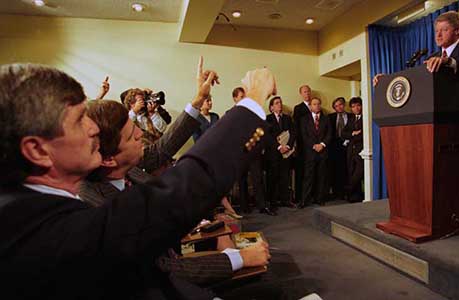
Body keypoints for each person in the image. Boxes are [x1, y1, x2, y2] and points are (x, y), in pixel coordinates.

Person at [0, 60, 275, 299]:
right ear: (37, 150)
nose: (93, 128)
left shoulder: (34, 204)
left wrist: (197, 99)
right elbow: (176, 194)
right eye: (79, 120)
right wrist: (251, 101)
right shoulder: (44, 233)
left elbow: (163, 151)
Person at [81, 99, 268, 287]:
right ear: (109, 160)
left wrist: (197, 101)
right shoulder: (97, 207)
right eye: (131, 136)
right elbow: (161, 269)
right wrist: (238, 259)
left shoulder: (126, 170)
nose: (140, 133)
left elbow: (160, 151)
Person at [373, 11, 459, 227]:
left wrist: (450, 62)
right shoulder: (431, 55)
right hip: (436, 125)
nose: (439, 35)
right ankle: (437, 215)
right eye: (436, 31)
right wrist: (387, 80)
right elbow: (417, 83)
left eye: (444, 30)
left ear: (458, 31)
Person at [229, 87, 267, 215]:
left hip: (254, 151)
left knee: (258, 179)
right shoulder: (230, 113)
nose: (244, 99)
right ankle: (244, 207)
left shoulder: (253, 112)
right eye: (241, 97)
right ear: (235, 98)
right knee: (242, 179)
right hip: (240, 152)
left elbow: (259, 130)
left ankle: (262, 206)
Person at [265, 96, 296, 212]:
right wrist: (279, 147)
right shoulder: (267, 119)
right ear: (271, 107)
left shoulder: (288, 118)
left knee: (285, 177)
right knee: (272, 178)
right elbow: (267, 136)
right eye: (277, 103)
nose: (280, 105)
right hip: (273, 153)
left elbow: (293, 133)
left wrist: (288, 146)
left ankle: (285, 200)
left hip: (287, 153)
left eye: (280, 103)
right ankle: (272, 203)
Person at [299, 97, 331, 207]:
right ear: (310, 106)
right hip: (310, 152)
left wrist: (322, 145)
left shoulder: (326, 119)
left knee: (321, 176)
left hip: (323, 152)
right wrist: (313, 146)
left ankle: (320, 199)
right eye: (314, 104)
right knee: (308, 177)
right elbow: (304, 136)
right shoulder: (304, 119)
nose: (316, 106)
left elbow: (329, 134)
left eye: (318, 104)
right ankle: (305, 200)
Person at [328, 97, 354, 200]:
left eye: (340, 104)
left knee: (348, 169)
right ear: (334, 108)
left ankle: (348, 192)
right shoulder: (330, 117)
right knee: (336, 170)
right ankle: (337, 193)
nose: (339, 107)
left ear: (344, 105)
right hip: (335, 147)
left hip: (348, 145)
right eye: (336, 106)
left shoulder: (351, 116)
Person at [341, 97, 364, 202]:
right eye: (353, 106)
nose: (356, 108)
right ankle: (355, 197)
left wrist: (352, 135)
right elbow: (343, 133)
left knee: (358, 174)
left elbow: (363, 135)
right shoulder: (351, 119)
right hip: (350, 151)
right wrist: (353, 133)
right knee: (351, 172)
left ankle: (347, 190)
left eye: (358, 105)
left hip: (361, 150)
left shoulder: (365, 118)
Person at [293, 85, 313, 205]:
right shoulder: (298, 108)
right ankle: (300, 197)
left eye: (308, 91)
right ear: (301, 94)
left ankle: (312, 195)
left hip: (315, 145)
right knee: (301, 171)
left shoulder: (316, 106)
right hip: (302, 144)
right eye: (305, 92)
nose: (307, 93)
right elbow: (296, 127)